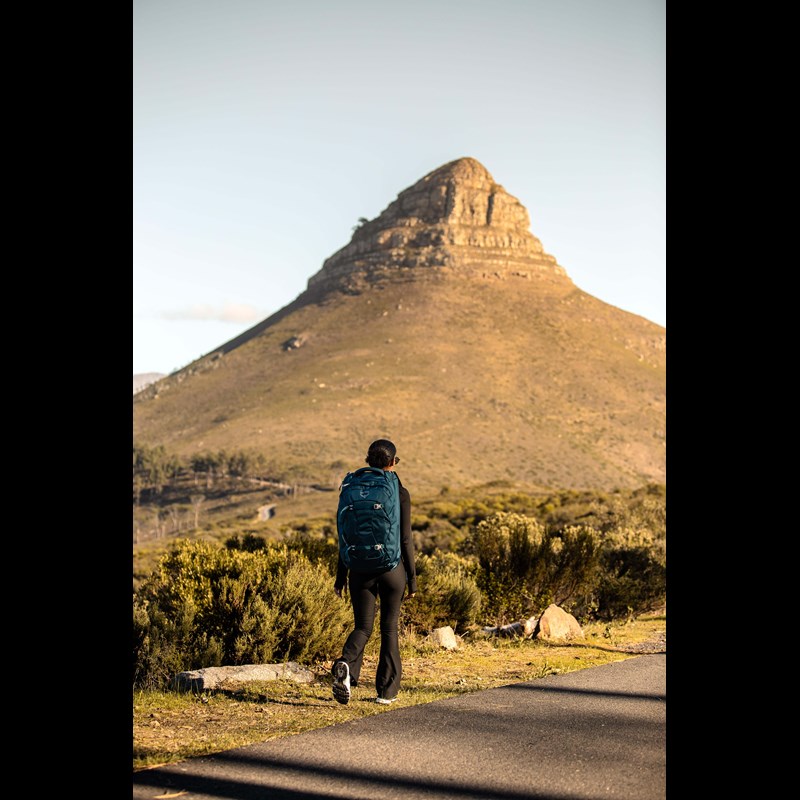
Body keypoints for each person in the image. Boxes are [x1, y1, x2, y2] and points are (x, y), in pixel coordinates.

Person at [331, 439, 417, 705]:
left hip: (358, 569)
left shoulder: (351, 489)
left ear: (368, 460)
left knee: (363, 627)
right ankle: (386, 693)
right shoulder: (399, 491)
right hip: (392, 569)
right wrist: (412, 579)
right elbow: (405, 539)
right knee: (389, 628)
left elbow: (345, 536)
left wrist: (340, 577)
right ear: (392, 462)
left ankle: (346, 664)